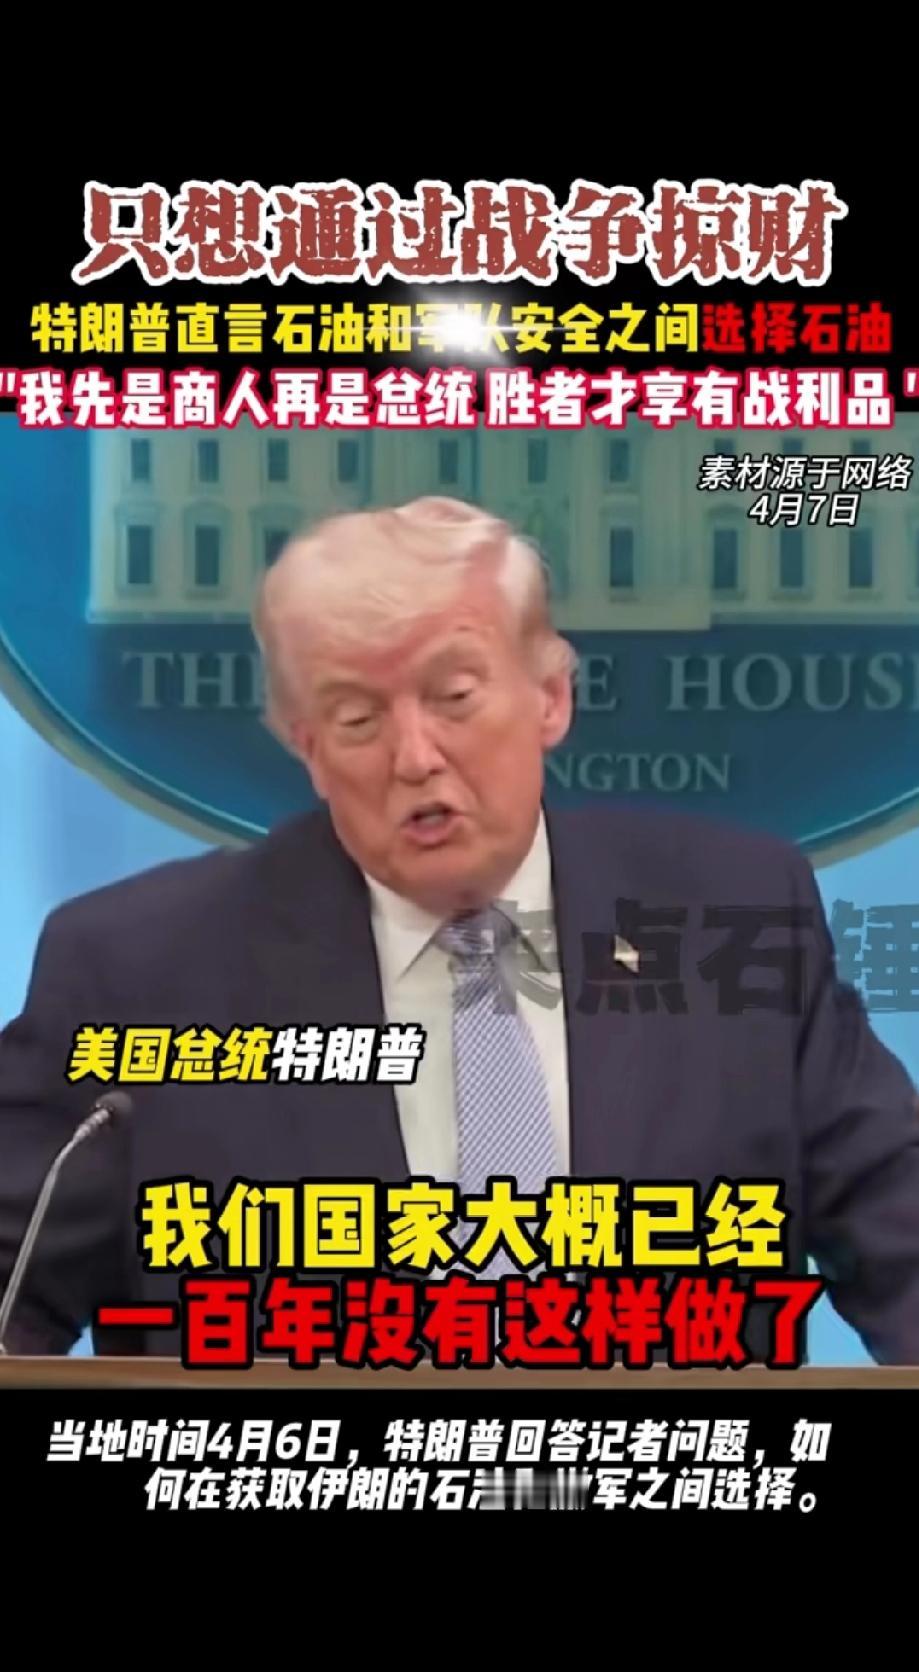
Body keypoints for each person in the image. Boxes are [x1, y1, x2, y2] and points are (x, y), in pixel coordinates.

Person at [1, 495, 918, 1361]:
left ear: (550, 697)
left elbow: (898, 1235)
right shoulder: (138, 974)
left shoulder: (734, 915)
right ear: (308, 748)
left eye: (454, 697)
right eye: (356, 718)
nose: (414, 756)